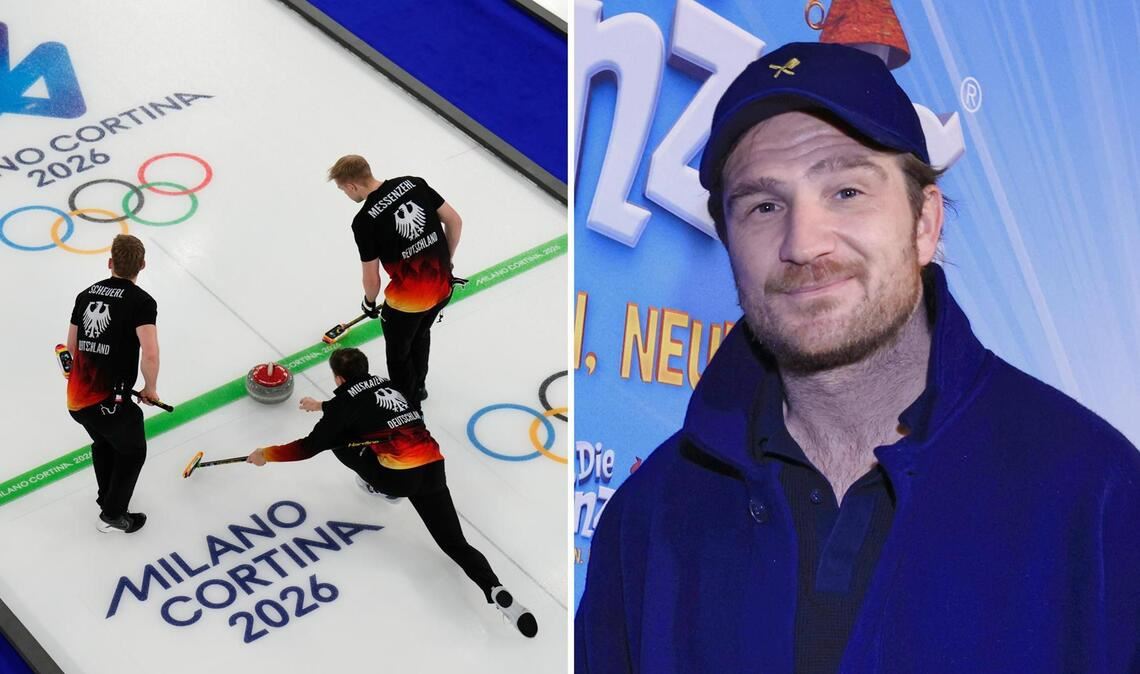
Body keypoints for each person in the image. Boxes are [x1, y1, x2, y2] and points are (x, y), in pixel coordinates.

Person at [575, 42, 1140, 672]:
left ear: (926, 222)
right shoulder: (649, 519)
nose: (803, 242)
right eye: (764, 205)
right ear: (729, 243)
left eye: (846, 190)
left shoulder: (1098, 498)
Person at [245, 347, 538, 638]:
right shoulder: (389, 385)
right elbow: (365, 406)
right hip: (433, 466)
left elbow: (309, 446)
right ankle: (495, 588)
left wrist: (266, 454)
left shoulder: (343, 404)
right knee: (455, 543)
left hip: (395, 479)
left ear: (337, 379)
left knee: (336, 442)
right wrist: (323, 406)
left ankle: (377, 486)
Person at [328, 155, 463, 403]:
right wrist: (448, 261)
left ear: (351, 186)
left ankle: (407, 405)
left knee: (399, 355)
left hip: (406, 304)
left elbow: (372, 278)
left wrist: (369, 303)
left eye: (342, 190)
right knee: (421, 335)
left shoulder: (364, 221)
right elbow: (454, 221)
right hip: (443, 286)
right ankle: (419, 387)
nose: (346, 195)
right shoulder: (414, 183)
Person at [66, 233, 160, 534]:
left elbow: (70, 349)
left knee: (104, 441)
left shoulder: (85, 295)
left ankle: (106, 495)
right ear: (142, 265)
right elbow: (150, 353)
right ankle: (113, 515)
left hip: (78, 400)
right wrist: (150, 388)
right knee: (133, 453)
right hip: (110, 402)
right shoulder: (142, 302)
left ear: (110, 263)